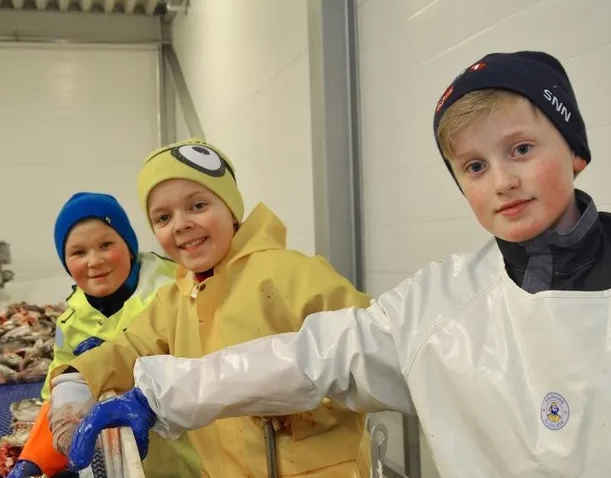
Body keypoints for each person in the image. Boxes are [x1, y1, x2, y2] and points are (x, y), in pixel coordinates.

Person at [61, 52, 611, 477]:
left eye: (522, 149)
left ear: (576, 149)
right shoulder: (442, 304)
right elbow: (315, 354)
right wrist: (162, 393)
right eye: (473, 165)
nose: (501, 179)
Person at [46, 138, 375, 477]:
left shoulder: (293, 275)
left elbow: (366, 351)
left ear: (231, 208)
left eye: (198, 205)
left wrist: (305, 407)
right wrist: (76, 378)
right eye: (162, 217)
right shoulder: (176, 300)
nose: (181, 224)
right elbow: (130, 346)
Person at [7, 192, 201, 478]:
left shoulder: (178, 287)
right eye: (78, 252)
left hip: (201, 451)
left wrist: (115, 363)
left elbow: (204, 361)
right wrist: (35, 458)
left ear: (130, 247)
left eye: (106, 245)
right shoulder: (71, 321)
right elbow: (60, 394)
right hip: (136, 461)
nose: (94, 261)